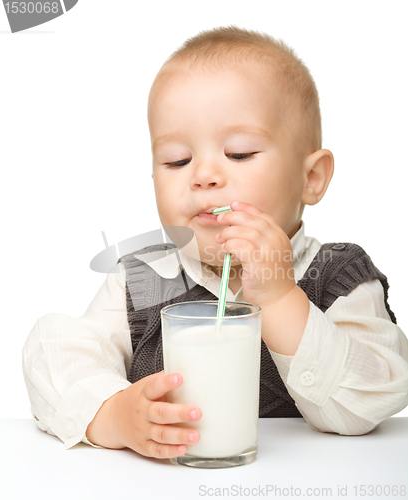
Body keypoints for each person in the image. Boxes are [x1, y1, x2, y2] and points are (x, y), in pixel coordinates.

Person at [22, 25, 408, 460]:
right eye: (177, 160)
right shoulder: (143, 279)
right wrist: (112, 414)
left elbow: (375, 395)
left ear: (310, 178)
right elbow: (56, 352)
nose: (203, 175)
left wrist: (281, 297)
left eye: (239, 153)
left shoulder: (338, 276)